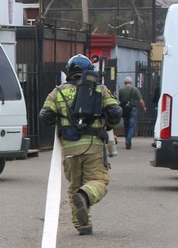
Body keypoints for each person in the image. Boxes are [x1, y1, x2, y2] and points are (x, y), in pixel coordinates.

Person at [38, 55, 122, 235]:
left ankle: (83, 225)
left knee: (73, 186)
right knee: (99, 181)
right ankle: (85, 196)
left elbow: (45, 117)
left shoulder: (57, 92)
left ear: (69, 71)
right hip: (94, 147)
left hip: (69, 149)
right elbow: (115, 114)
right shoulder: (100, 89)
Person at [117, 76, 146, 149]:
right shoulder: (134, 89)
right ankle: (128, 140)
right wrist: (144, 107)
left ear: (124, 83)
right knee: (131, 125)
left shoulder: (121, 90)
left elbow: (120, 100)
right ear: (131, 82)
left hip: (124, 109)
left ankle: (127, 139)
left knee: (126, 125)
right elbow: (140, 100)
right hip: (132, 109)